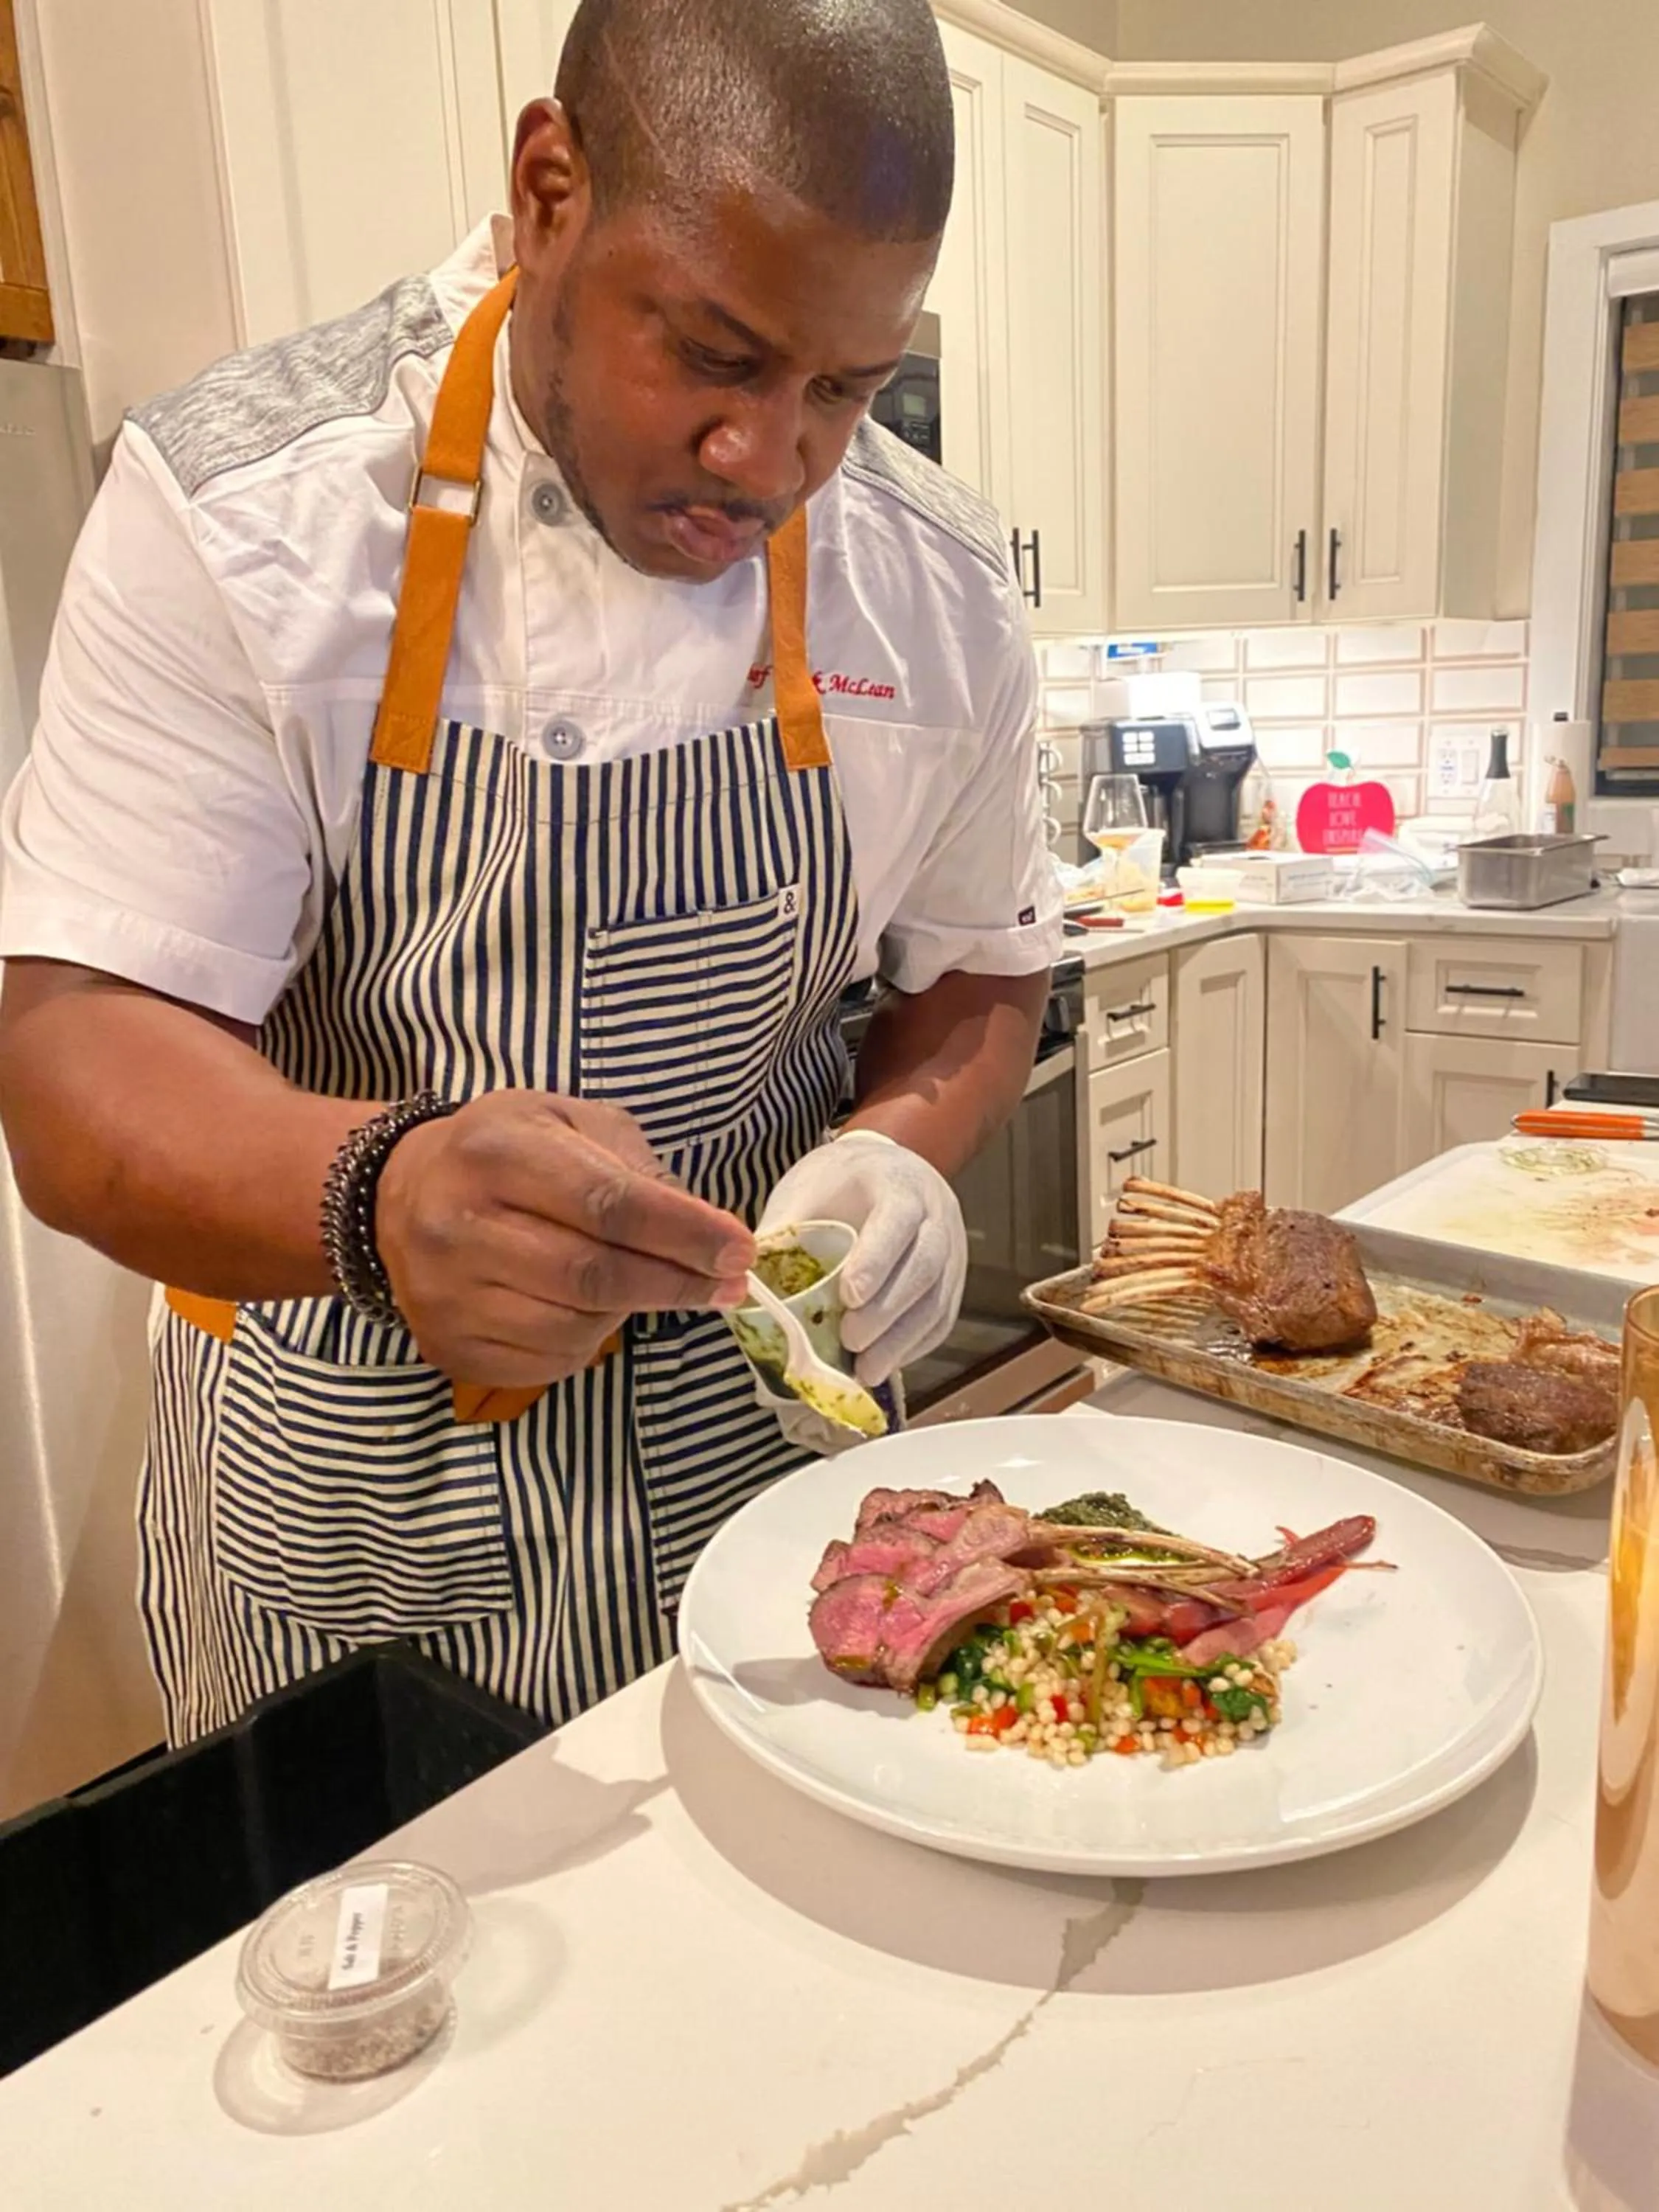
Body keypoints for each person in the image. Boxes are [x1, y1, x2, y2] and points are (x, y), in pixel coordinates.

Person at [0, 0, 1061, 1742]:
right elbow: (72, 1062)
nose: (772, 464)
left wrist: (898, 1158)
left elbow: (983, 971)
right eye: (716, 357)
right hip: (351, 1530)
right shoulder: (246, 514)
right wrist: (380, 1193)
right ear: (548, 187)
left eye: (845, 391)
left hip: (762, 1513)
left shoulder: (932, 587)